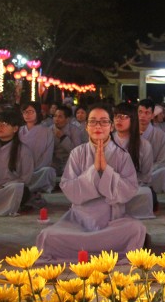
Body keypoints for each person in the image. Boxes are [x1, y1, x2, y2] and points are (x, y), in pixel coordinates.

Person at [36, 103, 147, 262]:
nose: (98, 126)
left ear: (111, 127)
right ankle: (104, 249)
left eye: (103, 121)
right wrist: (93, 171)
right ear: (86, 127)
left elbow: (129, 189)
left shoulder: (122, 155)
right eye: (93, 121)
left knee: (136, 229)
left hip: (112, 221)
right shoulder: (77, 153)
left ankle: (86, 248)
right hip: (80, 220)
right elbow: (69, 189)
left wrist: (106, 170)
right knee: (47, 236)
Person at [113, 102, 156, 219]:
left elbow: (146, 175)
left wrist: (127, 184)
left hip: (133, 186)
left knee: (146, 193)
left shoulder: (144, 145)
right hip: (110, 185)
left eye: (124, 116)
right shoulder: (106, 142)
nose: (119, 120)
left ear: (133, 120)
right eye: (116, 116)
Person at [19, 102, 56, 194]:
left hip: (39, 170)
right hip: (21, 169)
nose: (27, 114)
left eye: (31, 111)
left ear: (37, 113)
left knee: (48, 171)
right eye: (25, 112)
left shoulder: (47, 131)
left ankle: (26, 187)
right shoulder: (18, 131)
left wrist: (34, 169)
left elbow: (47, 155)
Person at [138, 99, 165, 193]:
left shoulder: (160, 135)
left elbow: (162, 160)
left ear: (152, 115)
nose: (143, 116)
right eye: (140, 112)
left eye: (147, 113)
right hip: (131, 173)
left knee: (162, 171)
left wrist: (147, 171)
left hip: (151, 171)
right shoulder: (129, 133)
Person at [50, 105, 82, 177]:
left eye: (60, 117)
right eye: (55, 116)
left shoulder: (75, 130)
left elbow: (76, 152)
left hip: (69, 161)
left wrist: (63, 138)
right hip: (53, 163)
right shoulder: (49, 130)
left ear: (67, 119)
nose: (56, 119)